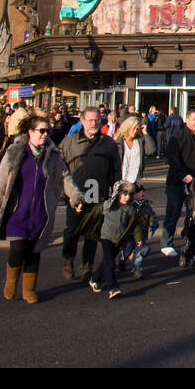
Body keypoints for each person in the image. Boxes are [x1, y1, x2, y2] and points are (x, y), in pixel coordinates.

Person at [0, 115, 84, 304]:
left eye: (48, 131)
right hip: (18, 210)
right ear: (30, 132)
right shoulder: (16, 151)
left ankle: (29, 289)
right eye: (41, 130)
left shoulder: (53, 155)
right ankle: (12, 279)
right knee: (18, 248)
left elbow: (65, 178)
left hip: (41, 210)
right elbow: (2, 178)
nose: (45, 134)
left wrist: (75, 197)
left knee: (34, 250)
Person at [59, 108, 121, 280]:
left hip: (99, 194)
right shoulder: (69, 142)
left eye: (97, 120)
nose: (93, 123)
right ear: (82, 120)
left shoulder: (108, 144)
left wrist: (116, 193)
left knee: (92, 233)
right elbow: (59, 170)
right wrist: (66, 195)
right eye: (90, 120)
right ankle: (68, 259)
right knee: (72, 231)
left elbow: (116, 171)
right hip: (76, 194)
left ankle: (87, 266)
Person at [160, 109, 195, 257]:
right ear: (187, 120)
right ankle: (166, 243)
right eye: (194, 119)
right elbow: (173, 158)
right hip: (176, 181)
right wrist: (182, 175)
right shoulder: (177, 137)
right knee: (173, 211)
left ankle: (190, 240)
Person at [89, 181, 137, 299]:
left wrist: (138, 238)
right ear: (117, 194)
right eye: (124, 194)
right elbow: (95, 214)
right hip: (106, 238)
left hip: (118, 239)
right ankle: (113, 287)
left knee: (106, 260)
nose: (127, 197)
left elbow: (135, 225)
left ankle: (94, 279)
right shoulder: (108, 205)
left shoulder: (130, 209)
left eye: (130, 195)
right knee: (110, 263)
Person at [114, 114, 148, 184]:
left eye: (137, 129)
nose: (135, 131)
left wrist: (145, 132)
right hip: (121, 181)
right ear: (127, 127)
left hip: (136, 181)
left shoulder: (139, 141)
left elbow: (151, 150)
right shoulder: (118, 142)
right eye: (133, 128)